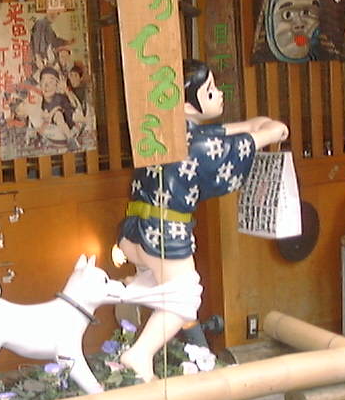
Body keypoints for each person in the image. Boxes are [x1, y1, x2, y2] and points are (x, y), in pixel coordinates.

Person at [117, 59, 289, 382]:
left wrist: (253, 125)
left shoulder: (164, 132)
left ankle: (126, 290)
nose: (219, 93)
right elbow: (238, 144)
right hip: (164, 235)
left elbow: (222, 132)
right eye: (210, 90)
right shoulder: (198, 145)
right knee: (184, 298)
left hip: (134, 231)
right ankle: (139, 353)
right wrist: (270, 132)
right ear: (186, 105)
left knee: (159, 287)